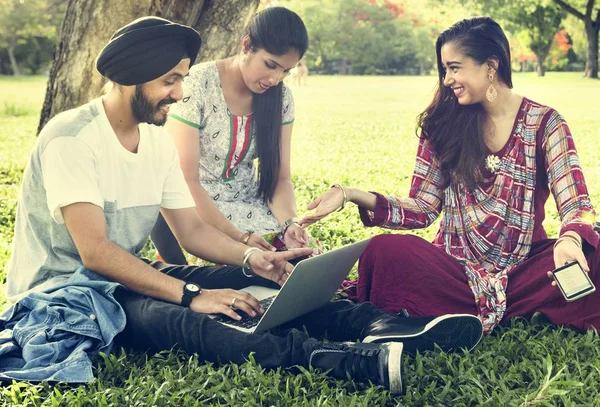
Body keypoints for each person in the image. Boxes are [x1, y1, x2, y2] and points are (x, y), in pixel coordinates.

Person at [0, 16, 483, 393]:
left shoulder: (156, 141)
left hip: (123, 275)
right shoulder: (72, 138)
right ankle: (331, 360)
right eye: (170, 81)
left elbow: (191, 231)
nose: (180, 93)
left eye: (182, 79)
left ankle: (379, 326)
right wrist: (192, 295)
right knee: (176, 318)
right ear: (132, 77)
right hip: (65, 293)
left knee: (258, 281)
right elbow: (96, 254)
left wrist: (256, 258)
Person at [300, 17, 600, 335]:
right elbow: (423, 207)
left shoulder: (546, 124)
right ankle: (485, 311)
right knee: (382, 252)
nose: (447, 79)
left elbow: (576, 203)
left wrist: (569, 242)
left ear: (490, 65)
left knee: (594, 257)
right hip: (454, 270)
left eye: (455, 68)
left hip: (522, 269)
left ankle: (451, 314)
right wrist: (349, 193)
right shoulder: (441, 125)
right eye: (444, 69)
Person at [151, 7, 312, 265]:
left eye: (285, 71)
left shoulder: (280, 98)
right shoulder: (196, 86)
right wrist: (239, 236)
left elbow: (280, 178)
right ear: (246, 45)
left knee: (304, 265)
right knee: (253, 274)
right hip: (198, 209)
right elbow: (187, 180)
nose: (274, 78)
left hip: (250, 202)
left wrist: (289, 224)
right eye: (270, 65)